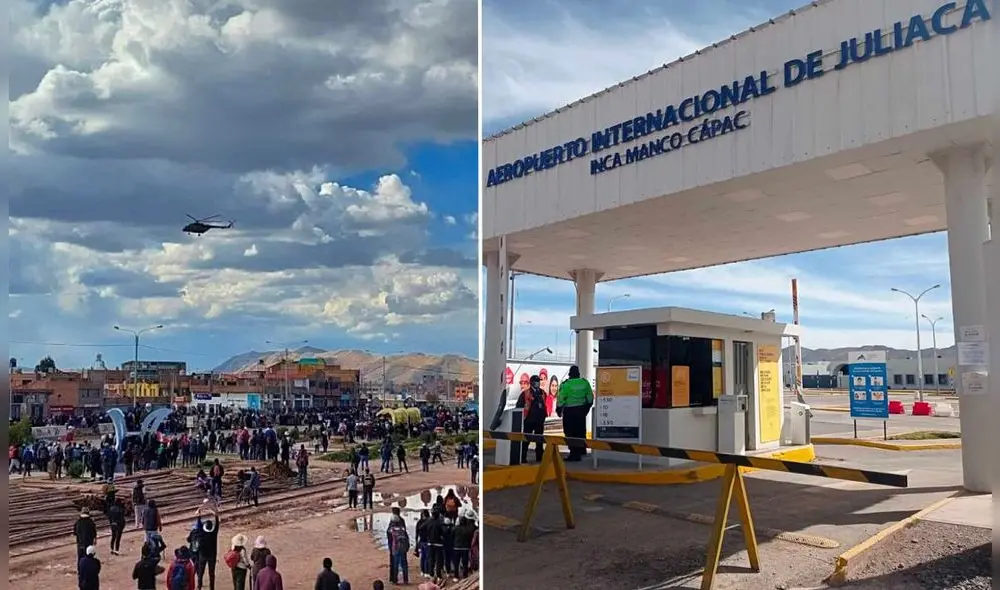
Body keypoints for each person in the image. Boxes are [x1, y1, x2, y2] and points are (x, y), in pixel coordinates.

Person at [556, 365, 594, 461]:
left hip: (570, 412)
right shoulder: (585, 383)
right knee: (581, 431)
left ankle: (574, 454)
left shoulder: (566, 384)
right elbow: (590, 397)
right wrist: (586, 409)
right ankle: (582, 450)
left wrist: (559, 409)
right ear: (578, 373)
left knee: (570, 432)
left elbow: (561, 399)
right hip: (581, 411)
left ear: (569, 374)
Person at [515, 375, 548, 463]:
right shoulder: (525, 393)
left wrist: (544, 416)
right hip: (529, 420)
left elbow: (544, 405)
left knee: (539, 441)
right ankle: (523, 457)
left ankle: (539, 457)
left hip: (539, 420)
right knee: (526, 440)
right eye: (536, 381)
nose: (538, 383)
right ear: (532, 382)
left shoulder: (543, 393)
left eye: (538, 381)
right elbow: (519, 406)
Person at [189, 505, 220, 590]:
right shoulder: (214, 534)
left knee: (201, 571)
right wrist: (216, 515)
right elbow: (217, 525)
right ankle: (212, 587)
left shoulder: (201, 533)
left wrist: (199, 515)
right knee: (211, 573)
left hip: (202, 555)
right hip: (212, 556)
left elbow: (199, 526)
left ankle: (199, 586)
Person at [387, 514, 410, 585]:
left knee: (395, 564)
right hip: (403, 548)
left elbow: (389, 536)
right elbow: (407, 537)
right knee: (404, 564)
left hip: (395, 548)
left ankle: (395, 580)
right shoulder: (402, 529)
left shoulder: (391, 529)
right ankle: (406, 580)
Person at [415, 509, 431, 579]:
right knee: (427, 557)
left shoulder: (419, 522)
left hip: (421, 541)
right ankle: (426, 572)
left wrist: (416, 544)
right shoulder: (429, 521)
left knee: (423, 557)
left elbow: (417, 534)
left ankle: (423, 571)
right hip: (427, 541)